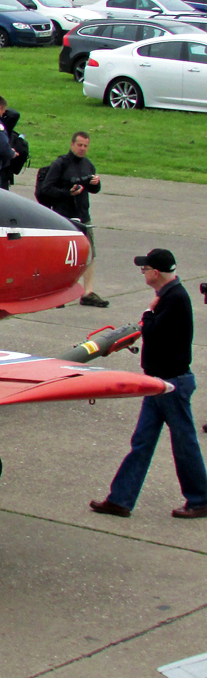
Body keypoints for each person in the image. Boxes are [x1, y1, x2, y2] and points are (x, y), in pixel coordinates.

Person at [89, 249, 207, 520]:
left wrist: (147, 313)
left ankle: (200, 499)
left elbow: (153, 332)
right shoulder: (168, 296)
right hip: (157, 382)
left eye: (145, 268)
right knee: (141, 442)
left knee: (184, 443)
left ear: (156, 272)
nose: (142, 271)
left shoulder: (174, 298)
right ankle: (120, 500)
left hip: (171, 384)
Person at [37, 131, 107, 307]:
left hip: (83, 215)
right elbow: (46, 189)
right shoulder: (61, 164)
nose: (82, 149)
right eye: (80, 145)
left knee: (90, 253)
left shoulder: (88, 165)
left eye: (85, 146)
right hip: (64, 216)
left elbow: (94, 190)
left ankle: (88, 292)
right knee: (60, 255)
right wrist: (67, 193)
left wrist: (96, 184)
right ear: (72, 144)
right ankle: (55, 291)